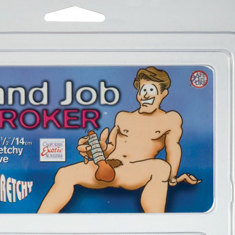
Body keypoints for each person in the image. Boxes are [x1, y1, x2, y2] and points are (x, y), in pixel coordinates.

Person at [37, 67, 199, 213]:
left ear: (163, 93)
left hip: (135, 171)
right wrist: (95, 151)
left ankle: (156, 224)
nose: (146, 94)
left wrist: (172, 176)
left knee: (161, 167)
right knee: (64, 173)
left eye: (151, 89)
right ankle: (39, 222)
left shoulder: (170, 119)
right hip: (109, 167)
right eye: (143, 90)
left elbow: (173, 147)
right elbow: (111, 146)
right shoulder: (123, 117)